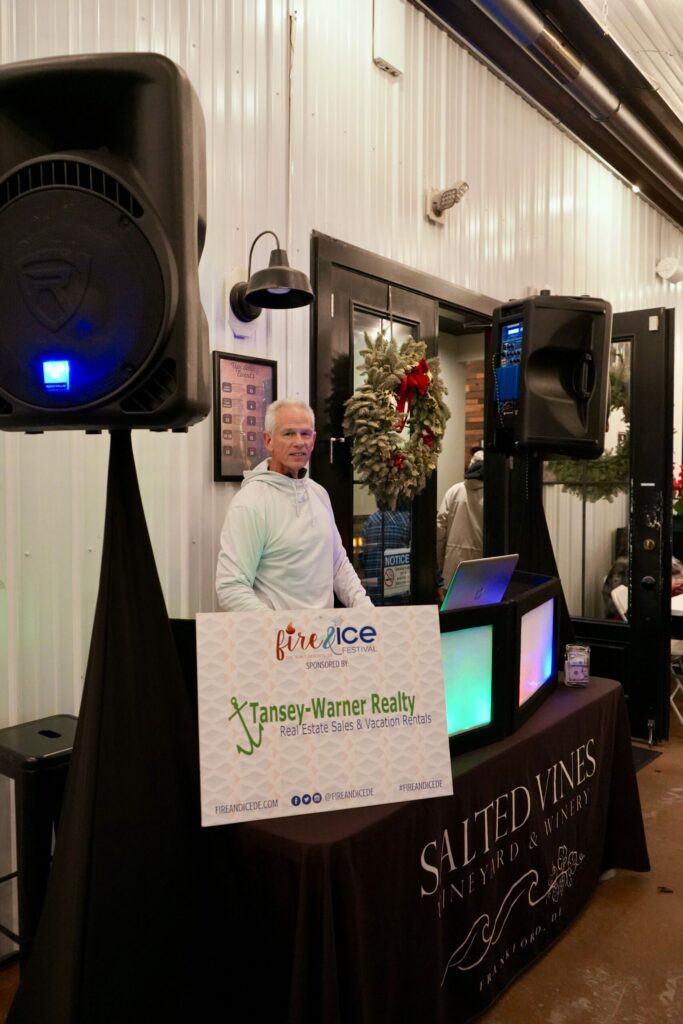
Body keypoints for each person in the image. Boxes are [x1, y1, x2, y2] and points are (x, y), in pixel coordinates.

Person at [216, 398, 372, 611]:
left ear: (313, 440)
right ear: (268, 440)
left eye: (305, 434)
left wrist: (366, 611)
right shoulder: (250, 503)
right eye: (288, 433)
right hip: (279, 632)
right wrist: (281, 627)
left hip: (324, 630)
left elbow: (338, 565)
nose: (299, 442)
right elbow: (231, 587)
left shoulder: (319, 494)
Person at [436, 449, 484, 593]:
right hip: (482, 571)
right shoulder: (494, 495)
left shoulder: (453, 491)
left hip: (451, 570)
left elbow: (439, 532)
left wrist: (439, 570)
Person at [359, 506, 411, 605]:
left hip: (373, 598)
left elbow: (362, 559)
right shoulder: (406, 520)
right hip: (400, 599)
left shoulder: (370, 521)